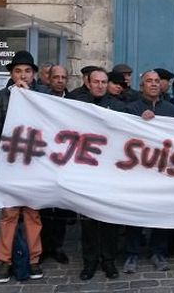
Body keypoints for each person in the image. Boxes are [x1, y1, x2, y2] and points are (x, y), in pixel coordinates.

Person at [0, 50, 49, 283]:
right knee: (9, 213)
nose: (23, 75)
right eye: (18, 71)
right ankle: (5, 260)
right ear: (12, 74)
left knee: (33, 213)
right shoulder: (2, 97)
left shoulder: (42, 95)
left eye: (27, 71)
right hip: (9, 162)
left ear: (34, 74)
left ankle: (33, 259)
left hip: (35, 162)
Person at [68, 68, 124, 280]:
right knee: (89, 221)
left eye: (104, 82)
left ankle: (109, 261)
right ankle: (90, 262)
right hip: (87, 171)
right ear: (88, 82)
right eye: (96, 81)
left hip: (111, 172)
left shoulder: (119, 106)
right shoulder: (77, 105)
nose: (100, 85)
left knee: (110, 220)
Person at [123, 70, 174, 274]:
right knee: (135, 212)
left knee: (161, 211)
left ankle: (158, 251)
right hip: (138, 170)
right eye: (149, 81)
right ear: (141, 86)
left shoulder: (171, 109)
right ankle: (132, 253)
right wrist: (138, 121)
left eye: (156, 81)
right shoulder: (131, 108)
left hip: (162, 169)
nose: (154, 84)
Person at [40, 64, 72, 264]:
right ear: (49, 79)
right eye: (56, 77)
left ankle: (58, 246)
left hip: (67, 160)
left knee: (61, 205)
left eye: (63, 77)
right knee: (44, 206)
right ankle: (43, 247)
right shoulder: (39, 100)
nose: (60, 80)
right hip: (44, 159)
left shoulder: (75, 101)